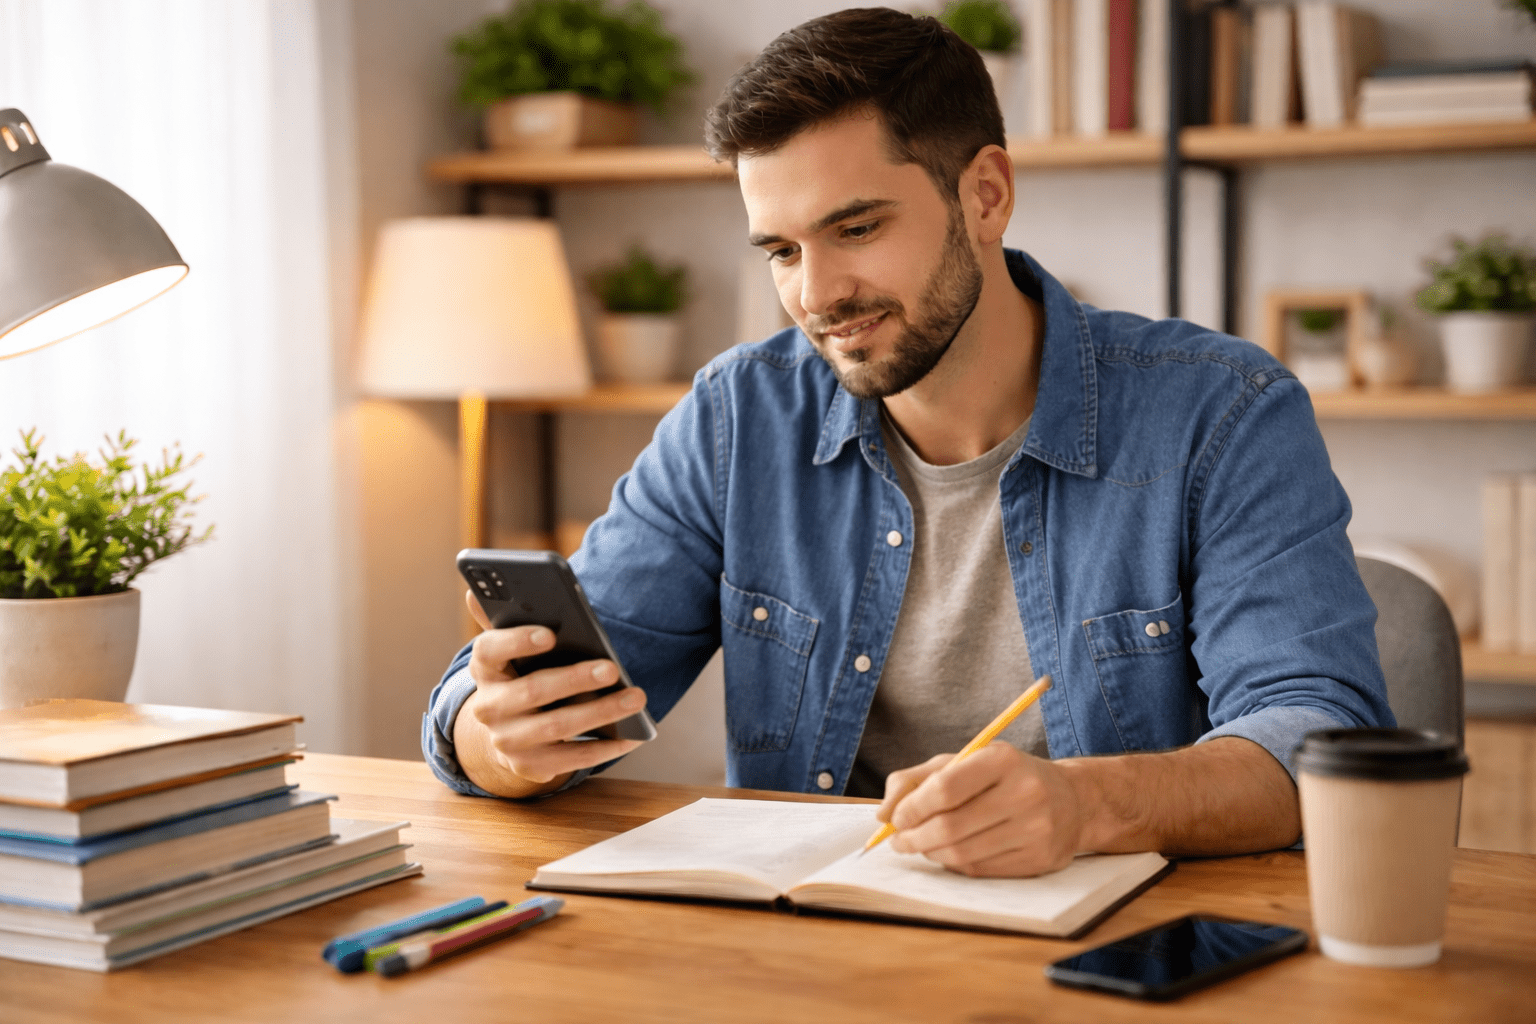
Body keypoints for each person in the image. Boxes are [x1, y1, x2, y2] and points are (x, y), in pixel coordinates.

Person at [422, 7, 1393, 878]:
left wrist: (1087, 804)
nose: (817, 292)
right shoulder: (737, 417)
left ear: (986, 194)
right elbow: (525, 705)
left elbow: (1318, 739)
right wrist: (497, 739)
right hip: (814, 953)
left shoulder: (1222, 412)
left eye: (856, 227)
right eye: (782, 250)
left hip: (1119, 948)